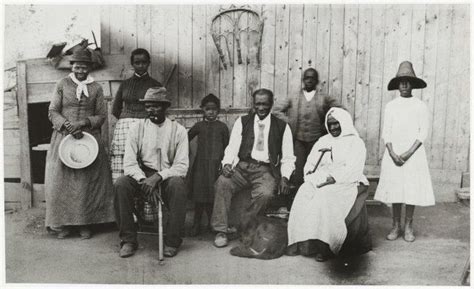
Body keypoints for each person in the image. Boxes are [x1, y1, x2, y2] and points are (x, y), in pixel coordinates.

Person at [211, 88, 296, 248]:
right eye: (258, 104)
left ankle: (246, 227)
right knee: (222, 182)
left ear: (271, 104)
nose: (261, 108)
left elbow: (288, 157)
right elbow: (232, 147)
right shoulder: (242, 122)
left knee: (265, 193)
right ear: (253, 104)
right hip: (242, 166)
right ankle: (221, 230)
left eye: (265, 104)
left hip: (265, 170)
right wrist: (227, 164)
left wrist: (285, 177)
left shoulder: (282, 127)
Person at [45, 49, 115, 239]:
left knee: (87, 183)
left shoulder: (96, 88)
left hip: (88, 140)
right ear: (72, 65)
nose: (80, 69)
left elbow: (101, 115)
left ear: (90, 67)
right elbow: (53, 110)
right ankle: (64, 225)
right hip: (64, 137)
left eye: (84, 65)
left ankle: (85, 223)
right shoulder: (62, 84)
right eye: (77, 65)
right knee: (62, 182)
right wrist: (67, 125)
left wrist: (83, 124)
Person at [114, 87, 189, 258]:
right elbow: (129, 163)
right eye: (148, 106)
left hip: (167, 175)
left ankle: (172, 241)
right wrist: (143, 179)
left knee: (178, 186)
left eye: (155, 106)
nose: (151, 110)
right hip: (143, 175)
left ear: (164, 107)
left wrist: (159, 176)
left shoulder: (179, 130)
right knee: (121, 184)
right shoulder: (137, 129)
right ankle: (128, 240)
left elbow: (182, 166)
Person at [287, 107, 369, 262]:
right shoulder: (323, 141)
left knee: (325, 196)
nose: (333, 128)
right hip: (321, 178)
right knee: (304, 191)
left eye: (336, 123)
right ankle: (301, 242)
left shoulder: (355, 142)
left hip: (345, 181)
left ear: (344, 122)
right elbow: (311, 163)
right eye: (330, 124)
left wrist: (333, 178)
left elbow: (354, 169)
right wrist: (310, 173)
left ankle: (327, 245)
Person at [374, 61, 435, 242]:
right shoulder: (391, 106)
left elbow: (422, 133)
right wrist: (392, 153)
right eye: (401, 82)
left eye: (408, 82)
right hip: (394, 154)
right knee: (396, 188)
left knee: (411, 188)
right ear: (397, 85)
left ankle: (408, 225)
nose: (404, 85)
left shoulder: (420, 106)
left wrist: (408, 153)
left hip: (413, 155)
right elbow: (387, 132)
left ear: (413, 85)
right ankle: (395, 225)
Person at [273, 68, 341, 190]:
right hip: (299, 139)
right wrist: (289, 122)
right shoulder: (293, 97)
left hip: (316, 139)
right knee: (298, 169)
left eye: (312, 78)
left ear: (317, 81)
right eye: (307, 78)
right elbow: (276, 110)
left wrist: (327, 124)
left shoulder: (323, 97)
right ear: (303, 80)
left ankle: (314, 194)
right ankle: (297, 195)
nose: (309, 80)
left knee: (316, 167)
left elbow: (340, 110)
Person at [110, 48, 162, 183]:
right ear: (132, 64)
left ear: (149, 63)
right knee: (126, 161)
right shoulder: (125, 84)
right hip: (124, 129)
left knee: (146, 161)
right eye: (137, 63)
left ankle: (147, 200)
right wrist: (127, 120)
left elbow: (161, 109)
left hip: (147, 126)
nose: (140, 66)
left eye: (144, 62)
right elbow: (115, 109)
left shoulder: (155, 85)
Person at [187, 94, 230, 236]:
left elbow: (228, 147)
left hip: (216, 166)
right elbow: (184, 138)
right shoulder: (198, 126)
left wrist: (225, 163)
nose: (211, 112)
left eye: (214, 109)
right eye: (207, 109)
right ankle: (196, 224)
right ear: (203, 110)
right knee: (199, 195)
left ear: (218, 111)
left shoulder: (222, 127)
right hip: (201, 166)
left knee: (214, 195)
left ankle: (214, 225)